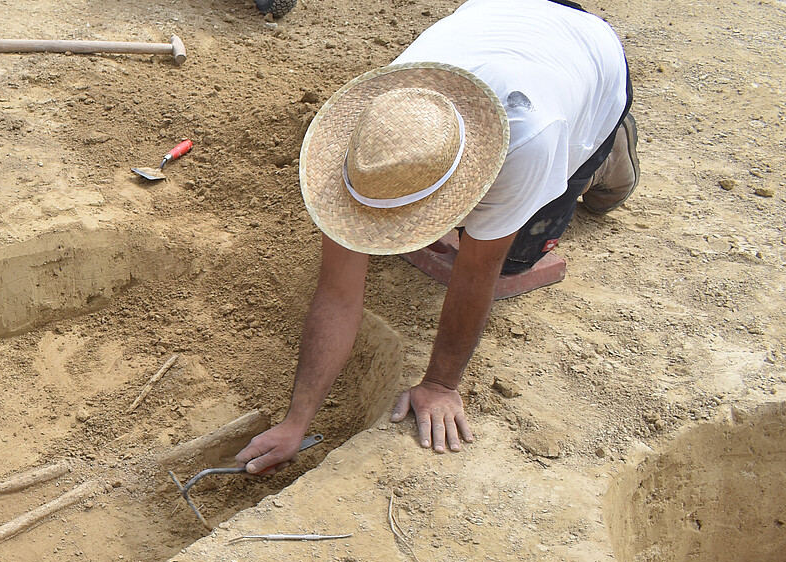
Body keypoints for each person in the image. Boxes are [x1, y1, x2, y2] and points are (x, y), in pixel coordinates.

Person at [235, 0, 637, 472]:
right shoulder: (375, 138)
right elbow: (338, 293)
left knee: (511, 257)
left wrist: (441, 384)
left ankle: (608, 159)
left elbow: (475, 274)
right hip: (497, 15)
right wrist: (295, 421)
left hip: (586, 63)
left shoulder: (527, 144)